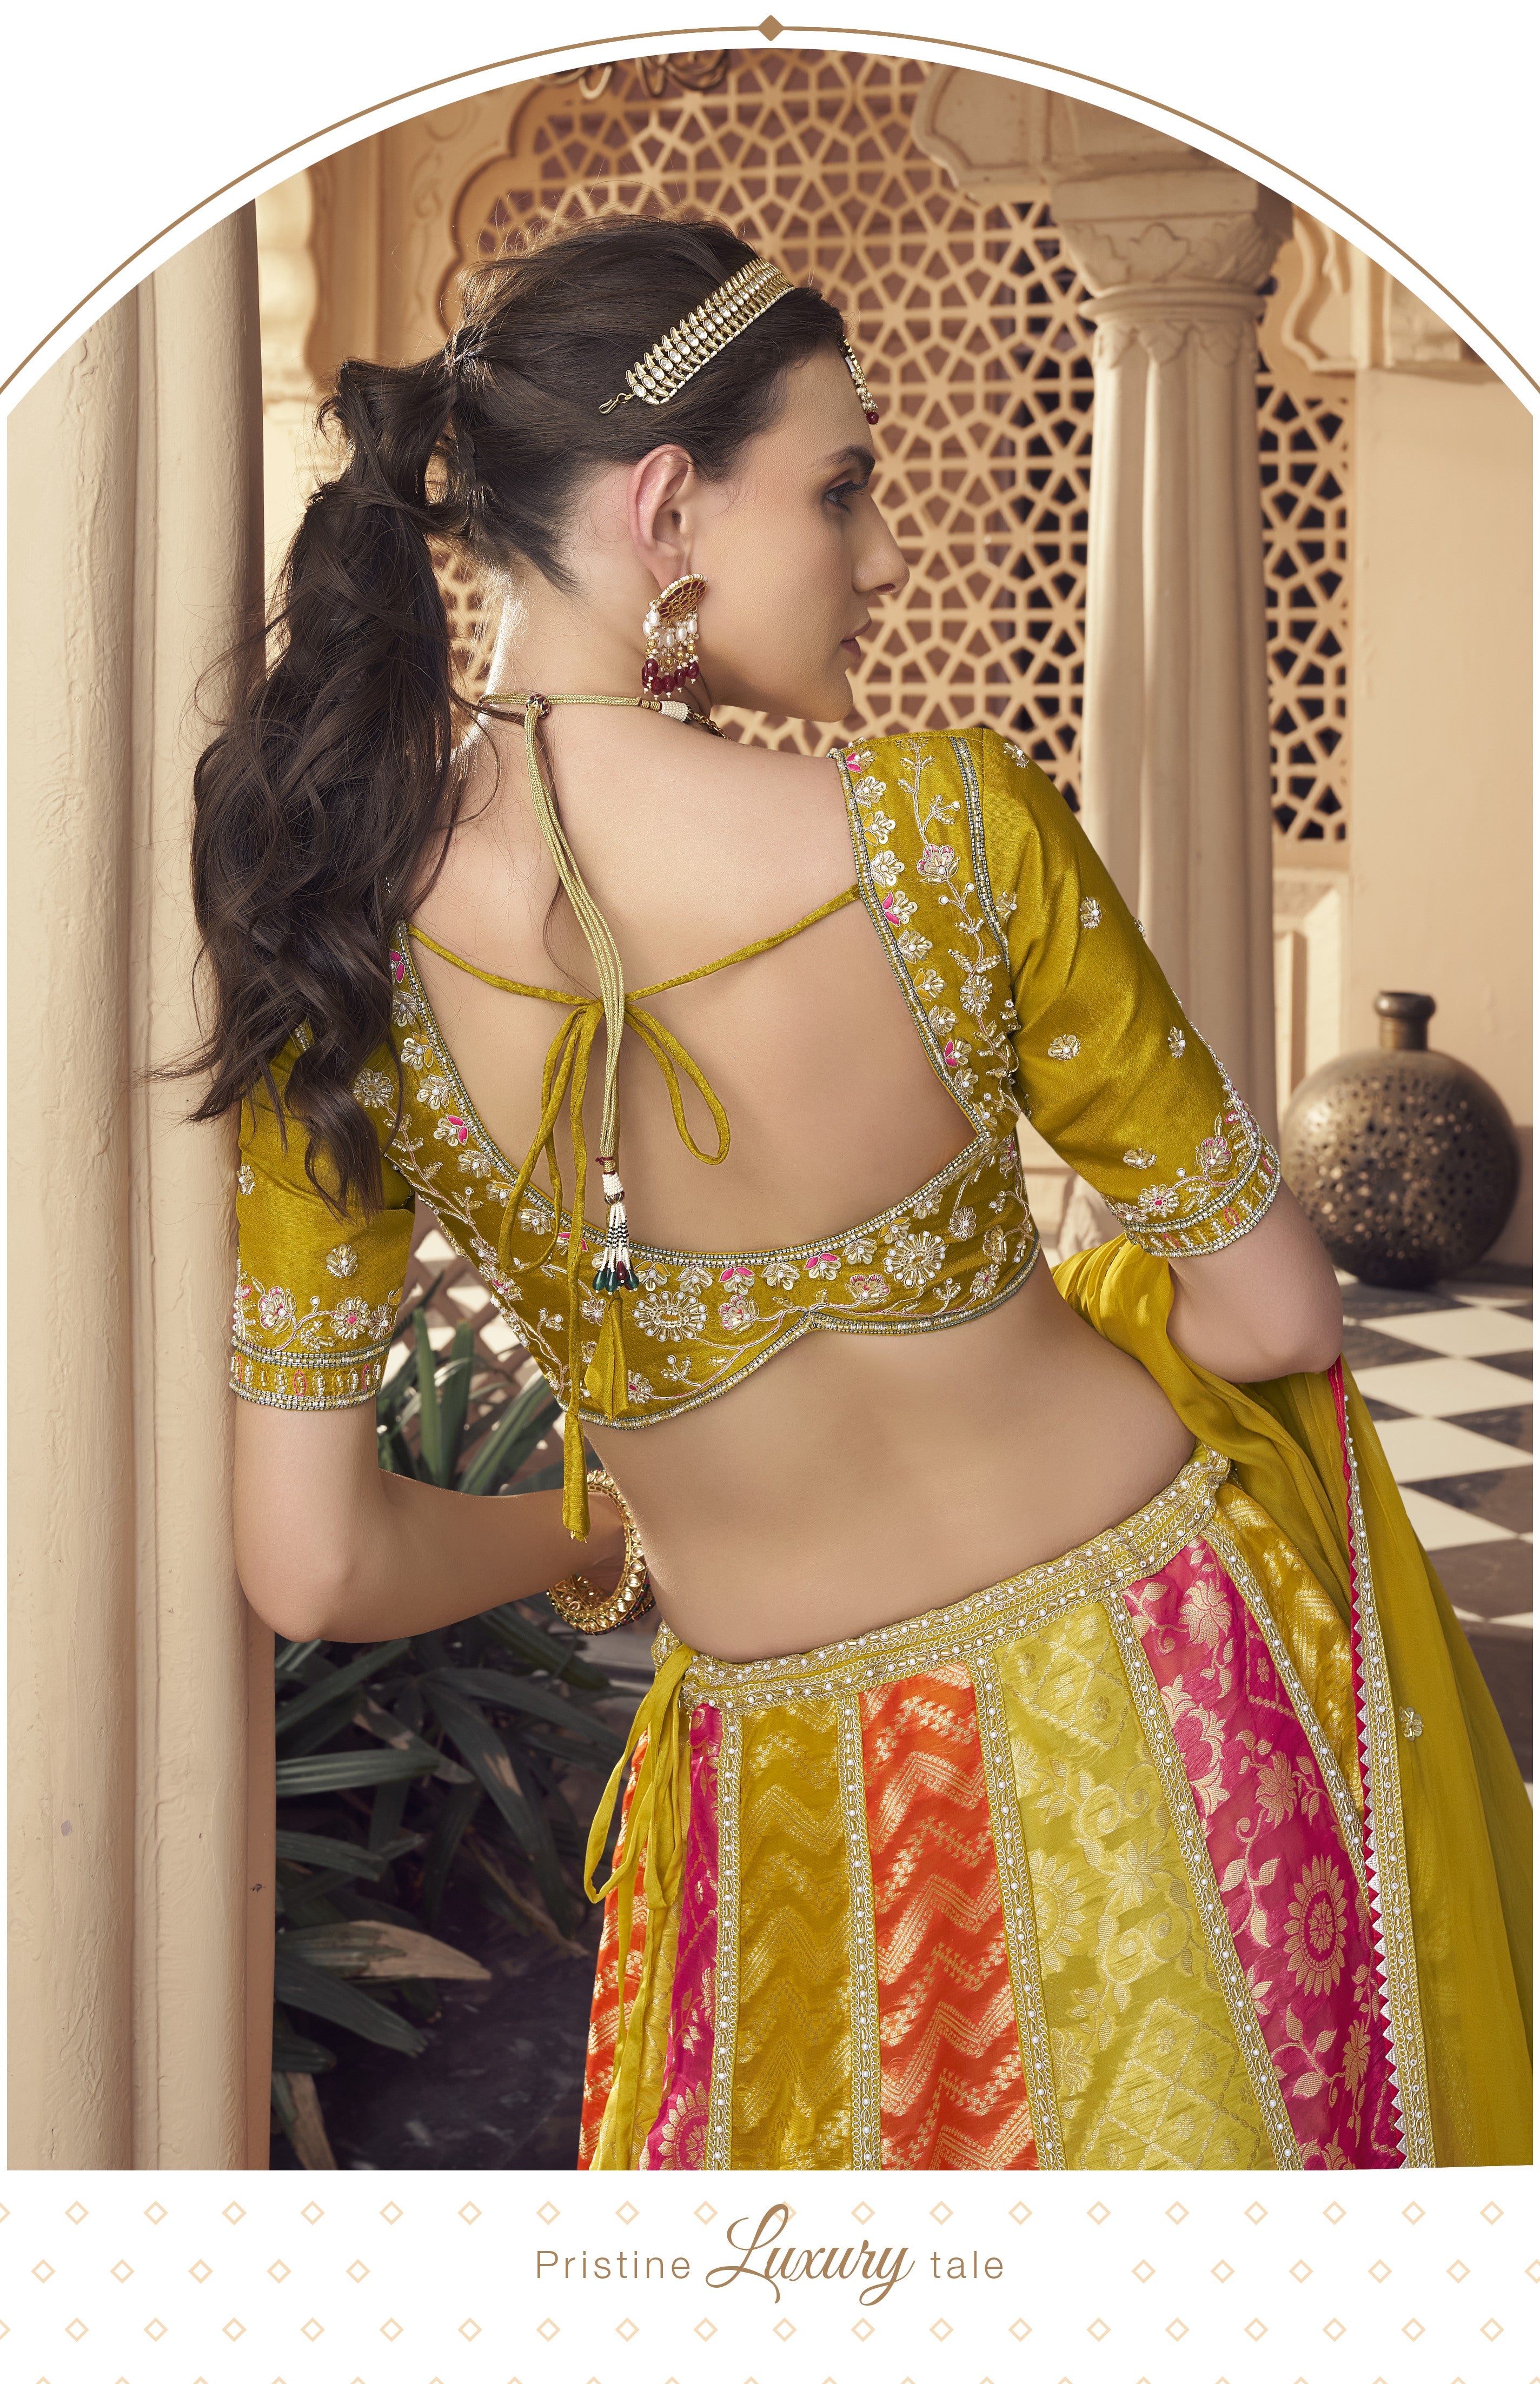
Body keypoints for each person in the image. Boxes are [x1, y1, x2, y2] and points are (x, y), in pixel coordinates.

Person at [186, 213, 1530, 2173]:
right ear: (667, 508)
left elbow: (312, 1564)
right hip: (1169, 1718)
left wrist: (600, 1537)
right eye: (842, 487)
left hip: (794, 1828)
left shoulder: (337, 944)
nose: (883, 553)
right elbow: (1280, 1317)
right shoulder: (950, 831)